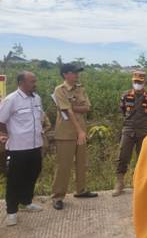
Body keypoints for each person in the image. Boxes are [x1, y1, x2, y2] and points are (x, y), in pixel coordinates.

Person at [51, 64, 97, 210]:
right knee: (64, 165)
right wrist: (79, 130)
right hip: (66, 133)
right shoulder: (60, 90)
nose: (77, 75)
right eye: (74, 72)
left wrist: (73, 106)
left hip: (80, 133)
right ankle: (58, 197)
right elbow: (68, 112)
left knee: (82, 163)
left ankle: (81, 190)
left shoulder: (80, 88)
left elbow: (87, 107)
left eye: (78, 72)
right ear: (65, 74)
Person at [0, 71, 44, 226]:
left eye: (35, 81)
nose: (35, 83)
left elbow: (39, 118)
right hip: (18, 147)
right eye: (32, 81)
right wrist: (4, 134)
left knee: (33, 173)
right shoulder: (11, 100)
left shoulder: (37, 98)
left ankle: (26, 201)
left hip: (35, 145)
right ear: (22, 83)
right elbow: (1, 120)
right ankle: (11, 211)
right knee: (14, 179)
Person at [112, 71, 147, 197]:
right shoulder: (125, 96)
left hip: (144, 131)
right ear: (132, 81)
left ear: (145, 82)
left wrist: (143, 123)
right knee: (123, 156)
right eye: (135, 82)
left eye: (140, 82)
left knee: (143, 158)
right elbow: (122, 111)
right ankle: (119, 183)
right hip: (128, 129)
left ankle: (139, 183)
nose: (137, 84)